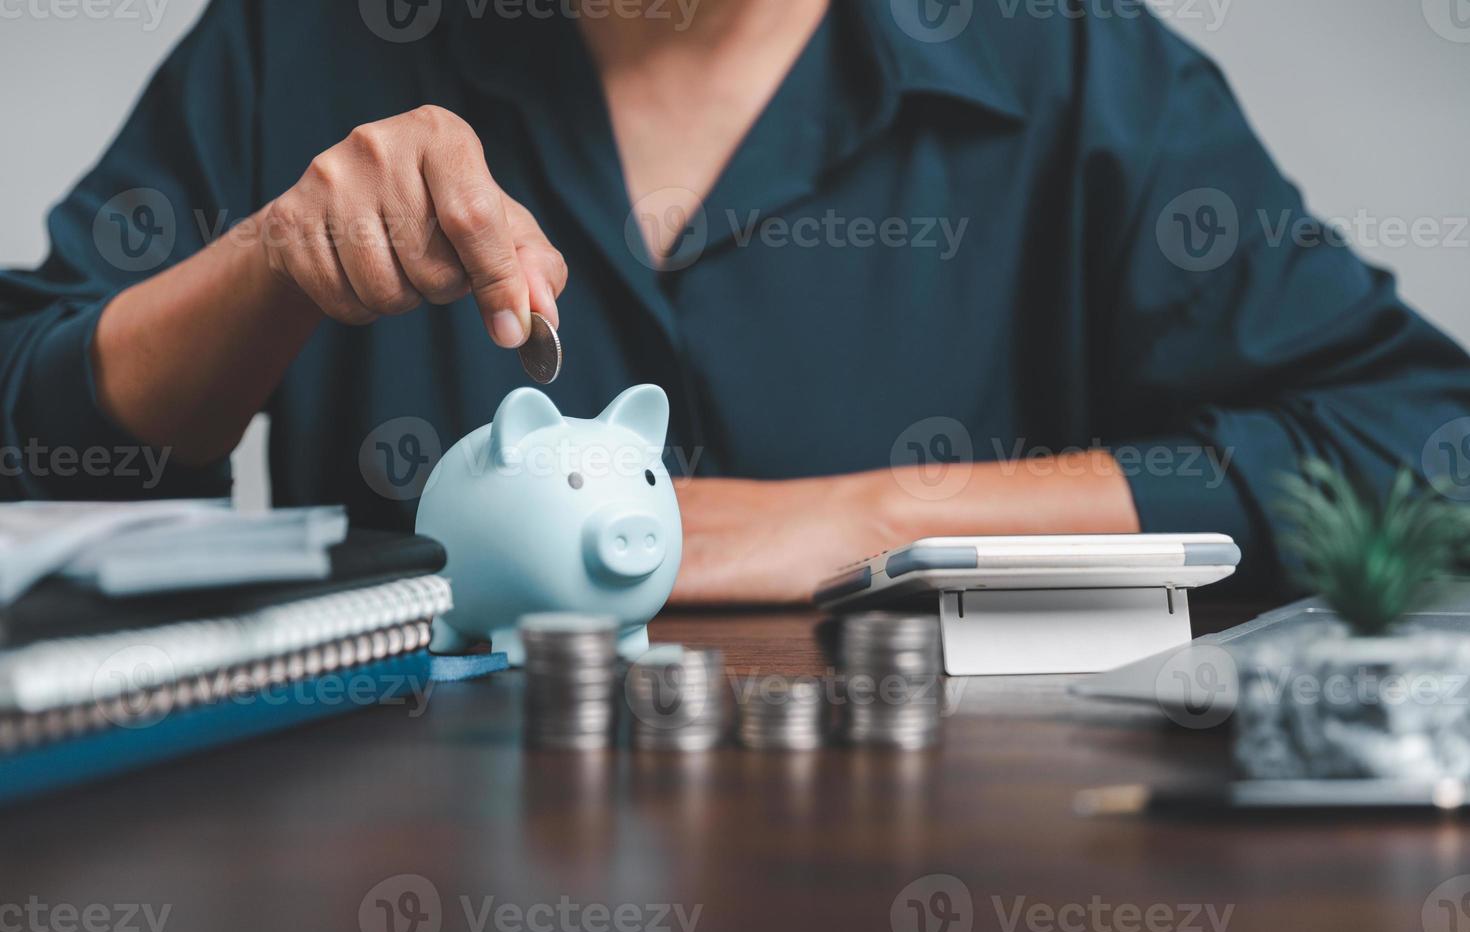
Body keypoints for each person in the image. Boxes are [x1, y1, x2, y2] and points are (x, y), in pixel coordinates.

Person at [1, 0, 1466, 603]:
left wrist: (878, 516)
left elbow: (1417, 447)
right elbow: (34, 451)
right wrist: (264, 270)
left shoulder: (1067, 59)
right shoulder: (298, 42)